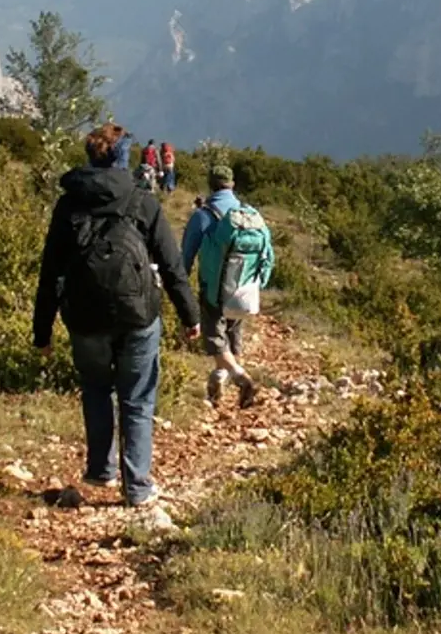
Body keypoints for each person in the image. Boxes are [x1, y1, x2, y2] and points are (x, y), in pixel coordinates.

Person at [33, 123, 200, 507]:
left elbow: (50, 272)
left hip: (83, 315)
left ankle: (100, 469)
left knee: (95, 388)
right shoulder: (143, 201)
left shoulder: (68, 203)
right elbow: (172, 267)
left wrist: (42, 333)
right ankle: (137, 486)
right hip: (138, 315)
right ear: (124, 157)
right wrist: (190, 316)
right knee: (137, 398)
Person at [181, 164, 275, 409]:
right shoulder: (250, 215)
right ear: (232, 185)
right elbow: (269, 257)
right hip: (243, 292)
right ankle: (217, 383)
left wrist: (181, 290)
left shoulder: (203, 215)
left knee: (215, 341)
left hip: (214, 291)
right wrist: (255, 286)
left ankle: (242, 379)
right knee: (232, 339)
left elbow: (186, 257)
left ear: (211, 185)